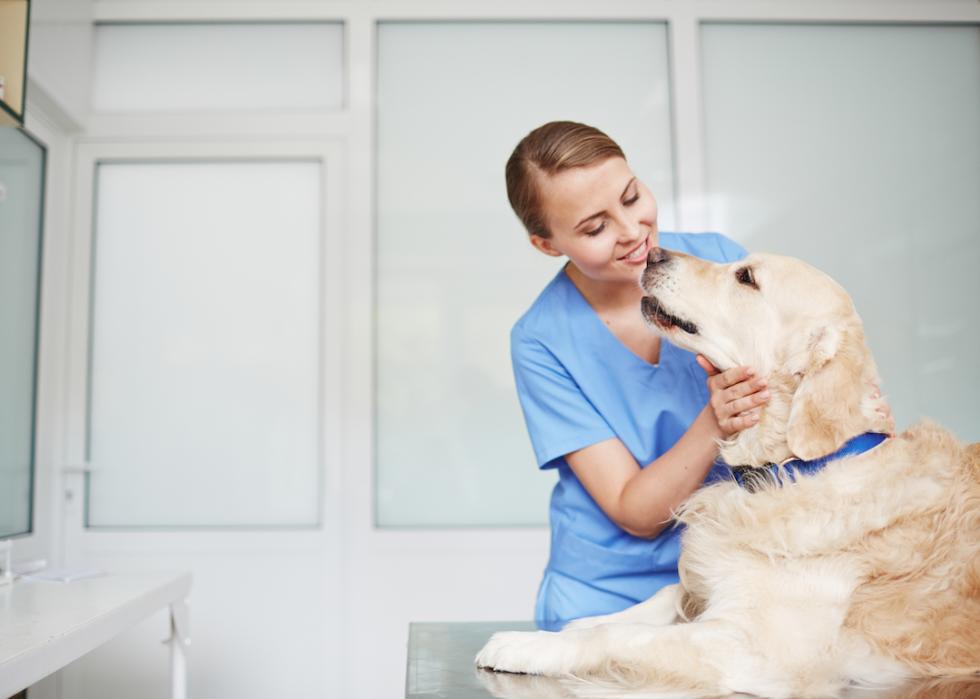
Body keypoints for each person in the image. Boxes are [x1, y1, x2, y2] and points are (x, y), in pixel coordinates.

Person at [506, 121, 771, 628]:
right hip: (607, 603)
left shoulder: (719, 261)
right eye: (594, 227)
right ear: (547, 243)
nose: (631, 231)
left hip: (732, 579)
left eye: (631, 197)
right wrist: (716, 421)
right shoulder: (541, 340)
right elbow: (635, 511)